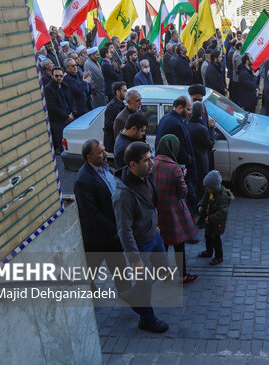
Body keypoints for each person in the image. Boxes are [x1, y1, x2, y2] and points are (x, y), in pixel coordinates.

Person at [113, 142, 170, 333]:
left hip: (154, 235)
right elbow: (124, 231)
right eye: (146, 160)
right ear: (132, 164)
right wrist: (135, 259)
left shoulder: (147, 175)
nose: (152, 163)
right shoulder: (123, 196)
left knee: (164, 270)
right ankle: (147, 319)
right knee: (145, 283)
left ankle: (132, 294)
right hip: (140, 245)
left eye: (151, 157)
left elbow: (150, 204)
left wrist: (155, 225)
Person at [74, 139, 131, 295]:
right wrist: (114, 229)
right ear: (88, 156)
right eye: (100, 152)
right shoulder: (83, 180)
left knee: (118, 265)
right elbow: (91, 214)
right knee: (94, 266)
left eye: (104, 150)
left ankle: (126, 292)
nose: (105, 154)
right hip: (99, 236)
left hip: (113, 230)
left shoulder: (106, 168)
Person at [154, 134, 199, 284]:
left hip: (157, 211)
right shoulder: (175, 168)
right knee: (179, 245)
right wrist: (183, 175)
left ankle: (164, 273)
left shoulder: (152, 163)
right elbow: (182, 192)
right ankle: (183, 276)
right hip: (173, 212)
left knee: (163, 243)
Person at [155, 96, 197, 212]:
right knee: (191, 198)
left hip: (173, 166)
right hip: (180, 167)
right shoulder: (175, 124)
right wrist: (189, 160)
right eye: (188, 109)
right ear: (180, 108)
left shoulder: (167, 118)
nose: (190, 113)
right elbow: (180, 149)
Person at [197, 170, 233, 265]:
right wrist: (200, 205)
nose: (207, 189)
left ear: (214, 186)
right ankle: (209, 251)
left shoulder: (222, 197)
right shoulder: (209, 191)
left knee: (216, 240)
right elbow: (204, 199)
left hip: (217, 224)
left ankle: (219, 257)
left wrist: (211, 217)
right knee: (207, 236)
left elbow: (222, 212)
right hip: (209, 221)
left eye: (208, 187)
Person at [187, 102, 215, 200]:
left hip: (191, 159)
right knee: (201, 187)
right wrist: (211, 129)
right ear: (202, 113)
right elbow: (210, 144)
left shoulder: (187, 124)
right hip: (201, 160)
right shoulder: (202, 129)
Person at [44, 67, 74, 153]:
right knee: (63, 147)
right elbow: (52, 107)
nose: (59, 78)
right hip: (58, 121)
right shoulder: (48, 88)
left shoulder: (65, 86)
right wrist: (66, 116)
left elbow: (71, 100)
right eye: (56, 76)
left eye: (61, 75)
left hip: (69, 117)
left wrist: (72, 113)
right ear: (52, 76)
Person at [103, 82, 127, 153]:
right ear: (118, 92)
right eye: (124, 91)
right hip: (114, 144)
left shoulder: (122, 104)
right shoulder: (112, 107)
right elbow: (108, 125)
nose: (126, 93)